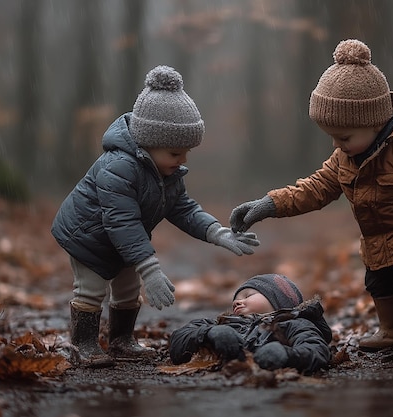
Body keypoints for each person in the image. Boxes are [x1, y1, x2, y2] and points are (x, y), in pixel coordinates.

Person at [229, 39, 393, 354]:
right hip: (377, 242)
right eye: (332, 137)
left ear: (374, 122)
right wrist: (269, 205)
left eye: (344, 137)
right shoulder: (345, 157)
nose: (338, 144)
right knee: (379, 284)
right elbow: (315, 188)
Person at [51, 65, 260, 368]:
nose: (183, 160)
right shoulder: (118, 167)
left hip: (123, 241)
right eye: (176, 153)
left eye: (186, 152)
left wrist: (217, 232)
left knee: (127, 288)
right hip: (89, 237)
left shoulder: (165, 172)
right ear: (149, 142)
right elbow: (121, 222)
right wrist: (150, 268)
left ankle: (122, 340)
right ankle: (82, 343)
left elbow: (183, 208)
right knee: (92, 288)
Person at [168, 273, 332, 374]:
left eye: (248, 295)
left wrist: (286, 355)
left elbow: (315, 348)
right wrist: (208, 335)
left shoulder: (295, 324)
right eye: (236, 299)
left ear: (278, 301)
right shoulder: (222, 324)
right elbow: (178, 339)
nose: (237, 302)